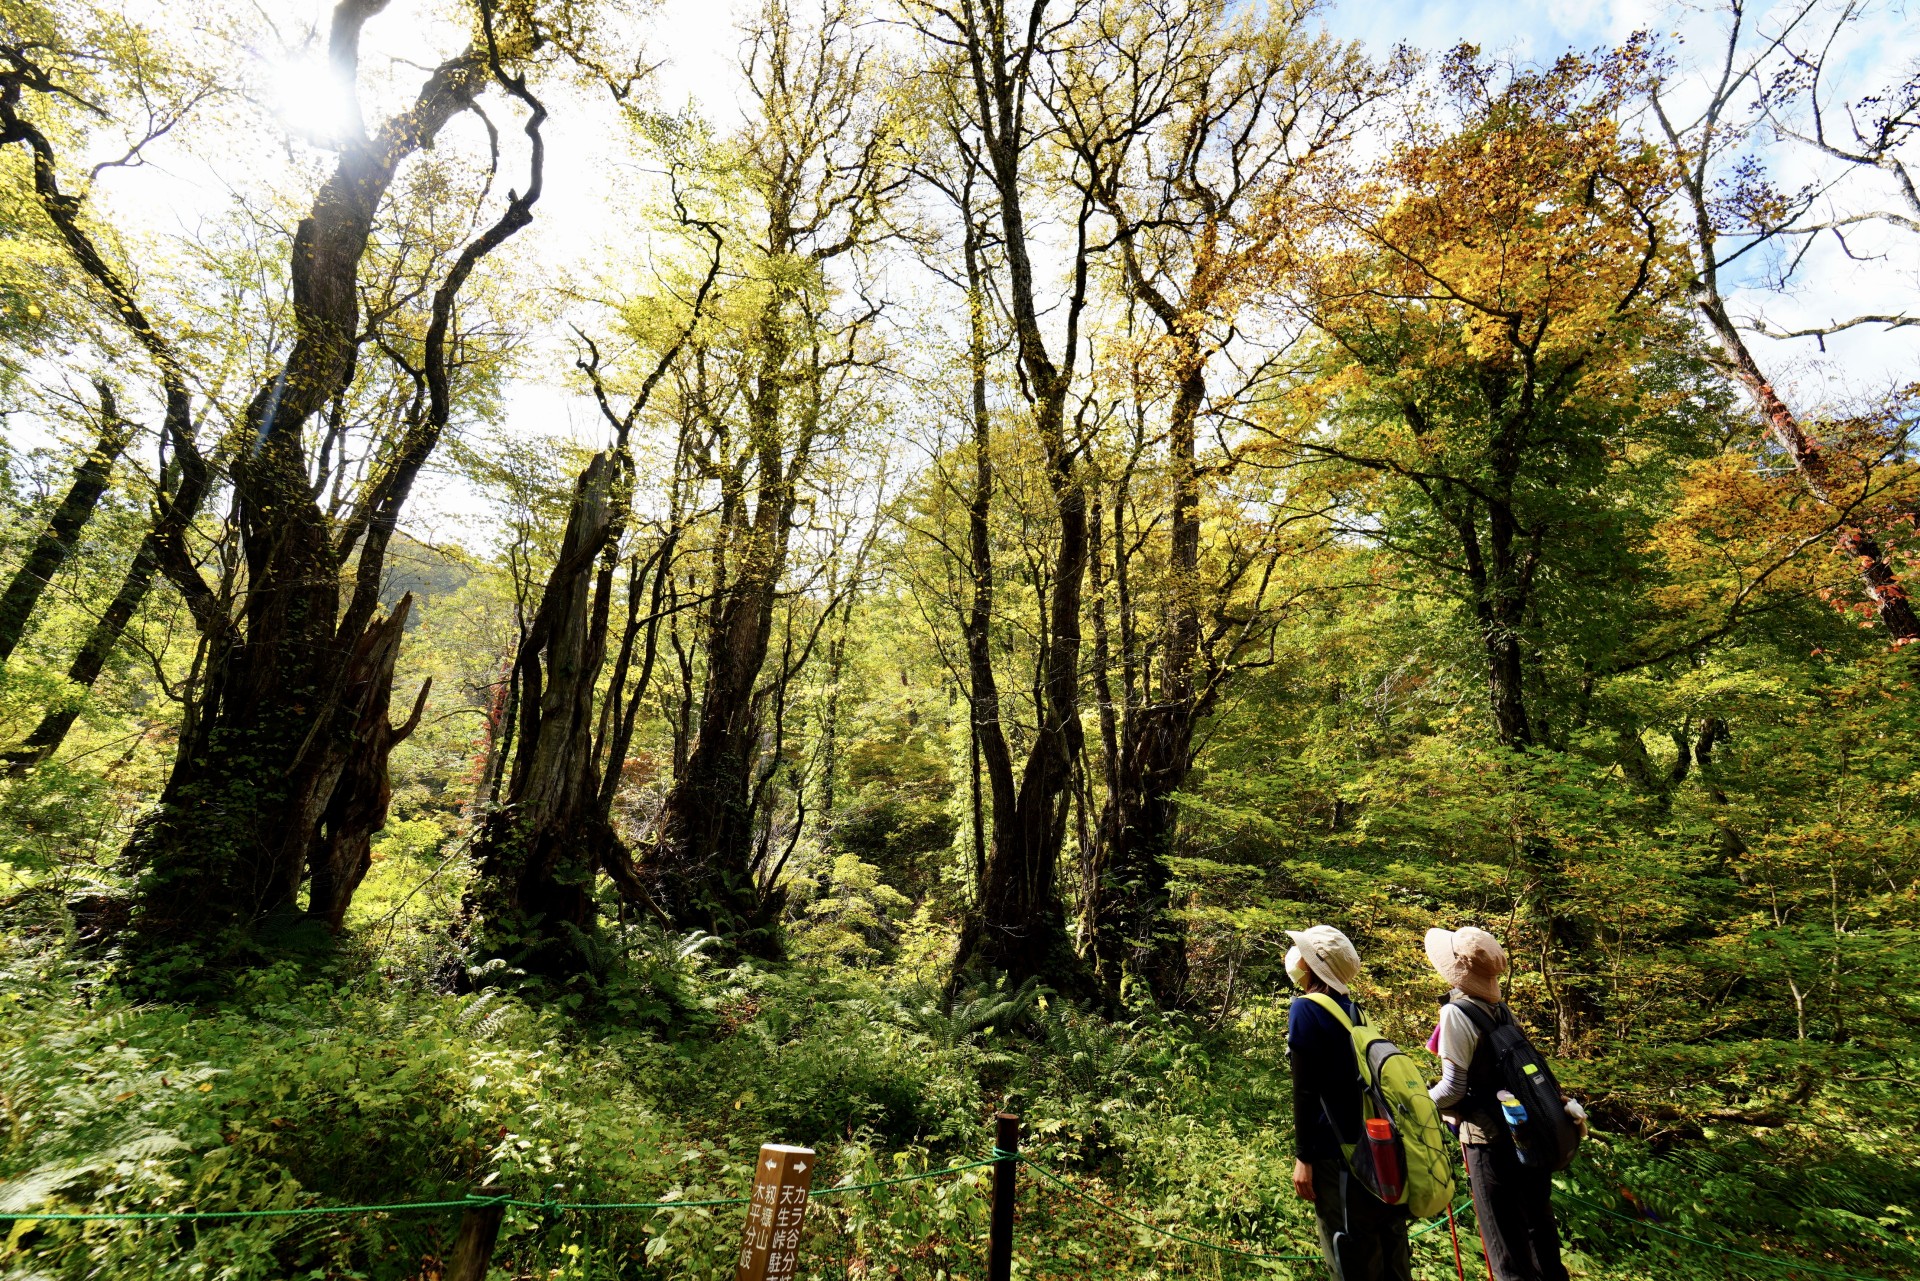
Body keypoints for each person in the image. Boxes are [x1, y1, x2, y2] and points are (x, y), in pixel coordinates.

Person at [1423, 926, 1582, 1281]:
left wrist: (1418, 1101)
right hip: (1527, 1137)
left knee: (1505, 1249)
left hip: (1489, 1143)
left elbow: (1452, 1088)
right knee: (1540, 1235)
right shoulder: (1501, 1012)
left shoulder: (1456, 1014)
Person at [1286, 925, 1413, 1281]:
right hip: (1376, 1150)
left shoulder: (1306, 1010)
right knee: (1391, 1254)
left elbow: (1305, 1090)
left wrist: (1303, 1156)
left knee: (1351, 1255)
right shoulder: (1356, 1012)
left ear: (1312, 966)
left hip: (1335, 1154)